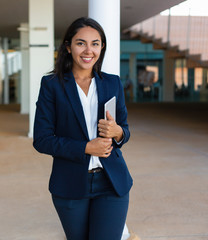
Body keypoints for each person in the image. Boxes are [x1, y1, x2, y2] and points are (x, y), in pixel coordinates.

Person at [33, 17, 132, 240]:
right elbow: (42, 139)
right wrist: (86, 147)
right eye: (81, 43)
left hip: (112, 182)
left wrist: (118, 132)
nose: (89, 50)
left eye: (95, 43)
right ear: (68, 47)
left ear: (102, 47)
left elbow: (124, 130)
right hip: (70, 183)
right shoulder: (51, 85)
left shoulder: (112, 83)